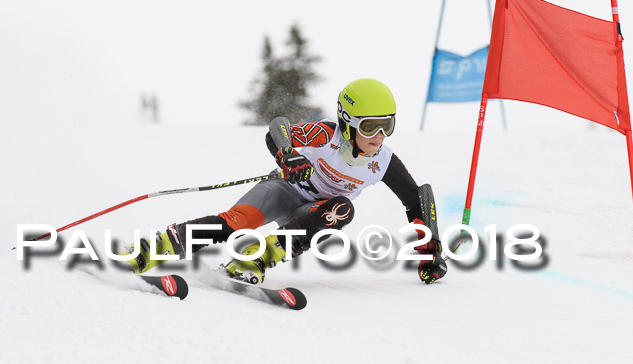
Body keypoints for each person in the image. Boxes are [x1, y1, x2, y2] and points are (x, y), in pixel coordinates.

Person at [123, 78, 447, 285]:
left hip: (313, 212)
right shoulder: (325, 135)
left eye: (386, 126)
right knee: (236, 223)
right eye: (370, 127)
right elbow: (278, 129)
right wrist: (288, 157)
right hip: (282, 191)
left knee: (342, 208)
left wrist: (429, 250)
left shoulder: (383, 161)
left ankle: (254, 261)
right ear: (348, 124)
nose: (378, 136)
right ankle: (154, 249)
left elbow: (415, 198)